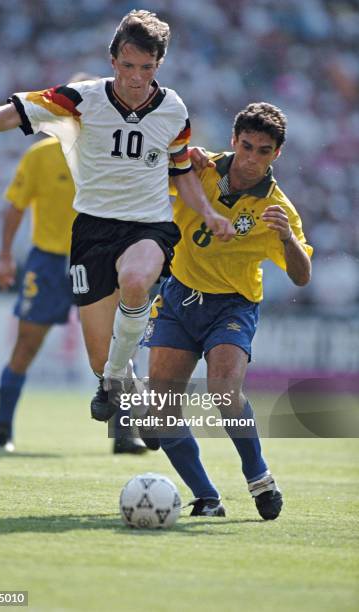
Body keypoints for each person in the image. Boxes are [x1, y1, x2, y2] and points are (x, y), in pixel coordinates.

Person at [0, 9, 235, 425]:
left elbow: (179, 170)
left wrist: (207, 211)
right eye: (128, 65)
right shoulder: (82, 99)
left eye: (147, 67)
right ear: (112, 60)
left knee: (137, 280)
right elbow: (19, 109)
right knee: (101, 360)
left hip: (148, 225)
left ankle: (120, 381)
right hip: (92, 230)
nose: (136, 77)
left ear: (159, 65)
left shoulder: (173, 109)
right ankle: (118, 379)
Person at [142, 102, 313, 519]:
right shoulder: (198, 167)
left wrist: (288, 239)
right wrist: (177, 152)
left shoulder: (278, 209)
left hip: (232, 305)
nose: (252, 159)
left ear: (277, 154)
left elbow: (301, 276)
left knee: (223, 390)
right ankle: (207, 497)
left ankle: (259, 477)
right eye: (247, 146)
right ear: (234, 141)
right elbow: (145, 170)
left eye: (264, 151)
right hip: (179, 294)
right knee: (159, 408)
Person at [0, 103, 147, 455]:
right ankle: (3, 430)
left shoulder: (113, 153)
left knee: (114, 347)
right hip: (48, 261)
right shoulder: (41, 155)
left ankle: (124, 432)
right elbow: (16, 205)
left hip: (98, 259)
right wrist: (4, 256)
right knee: (27, 344)